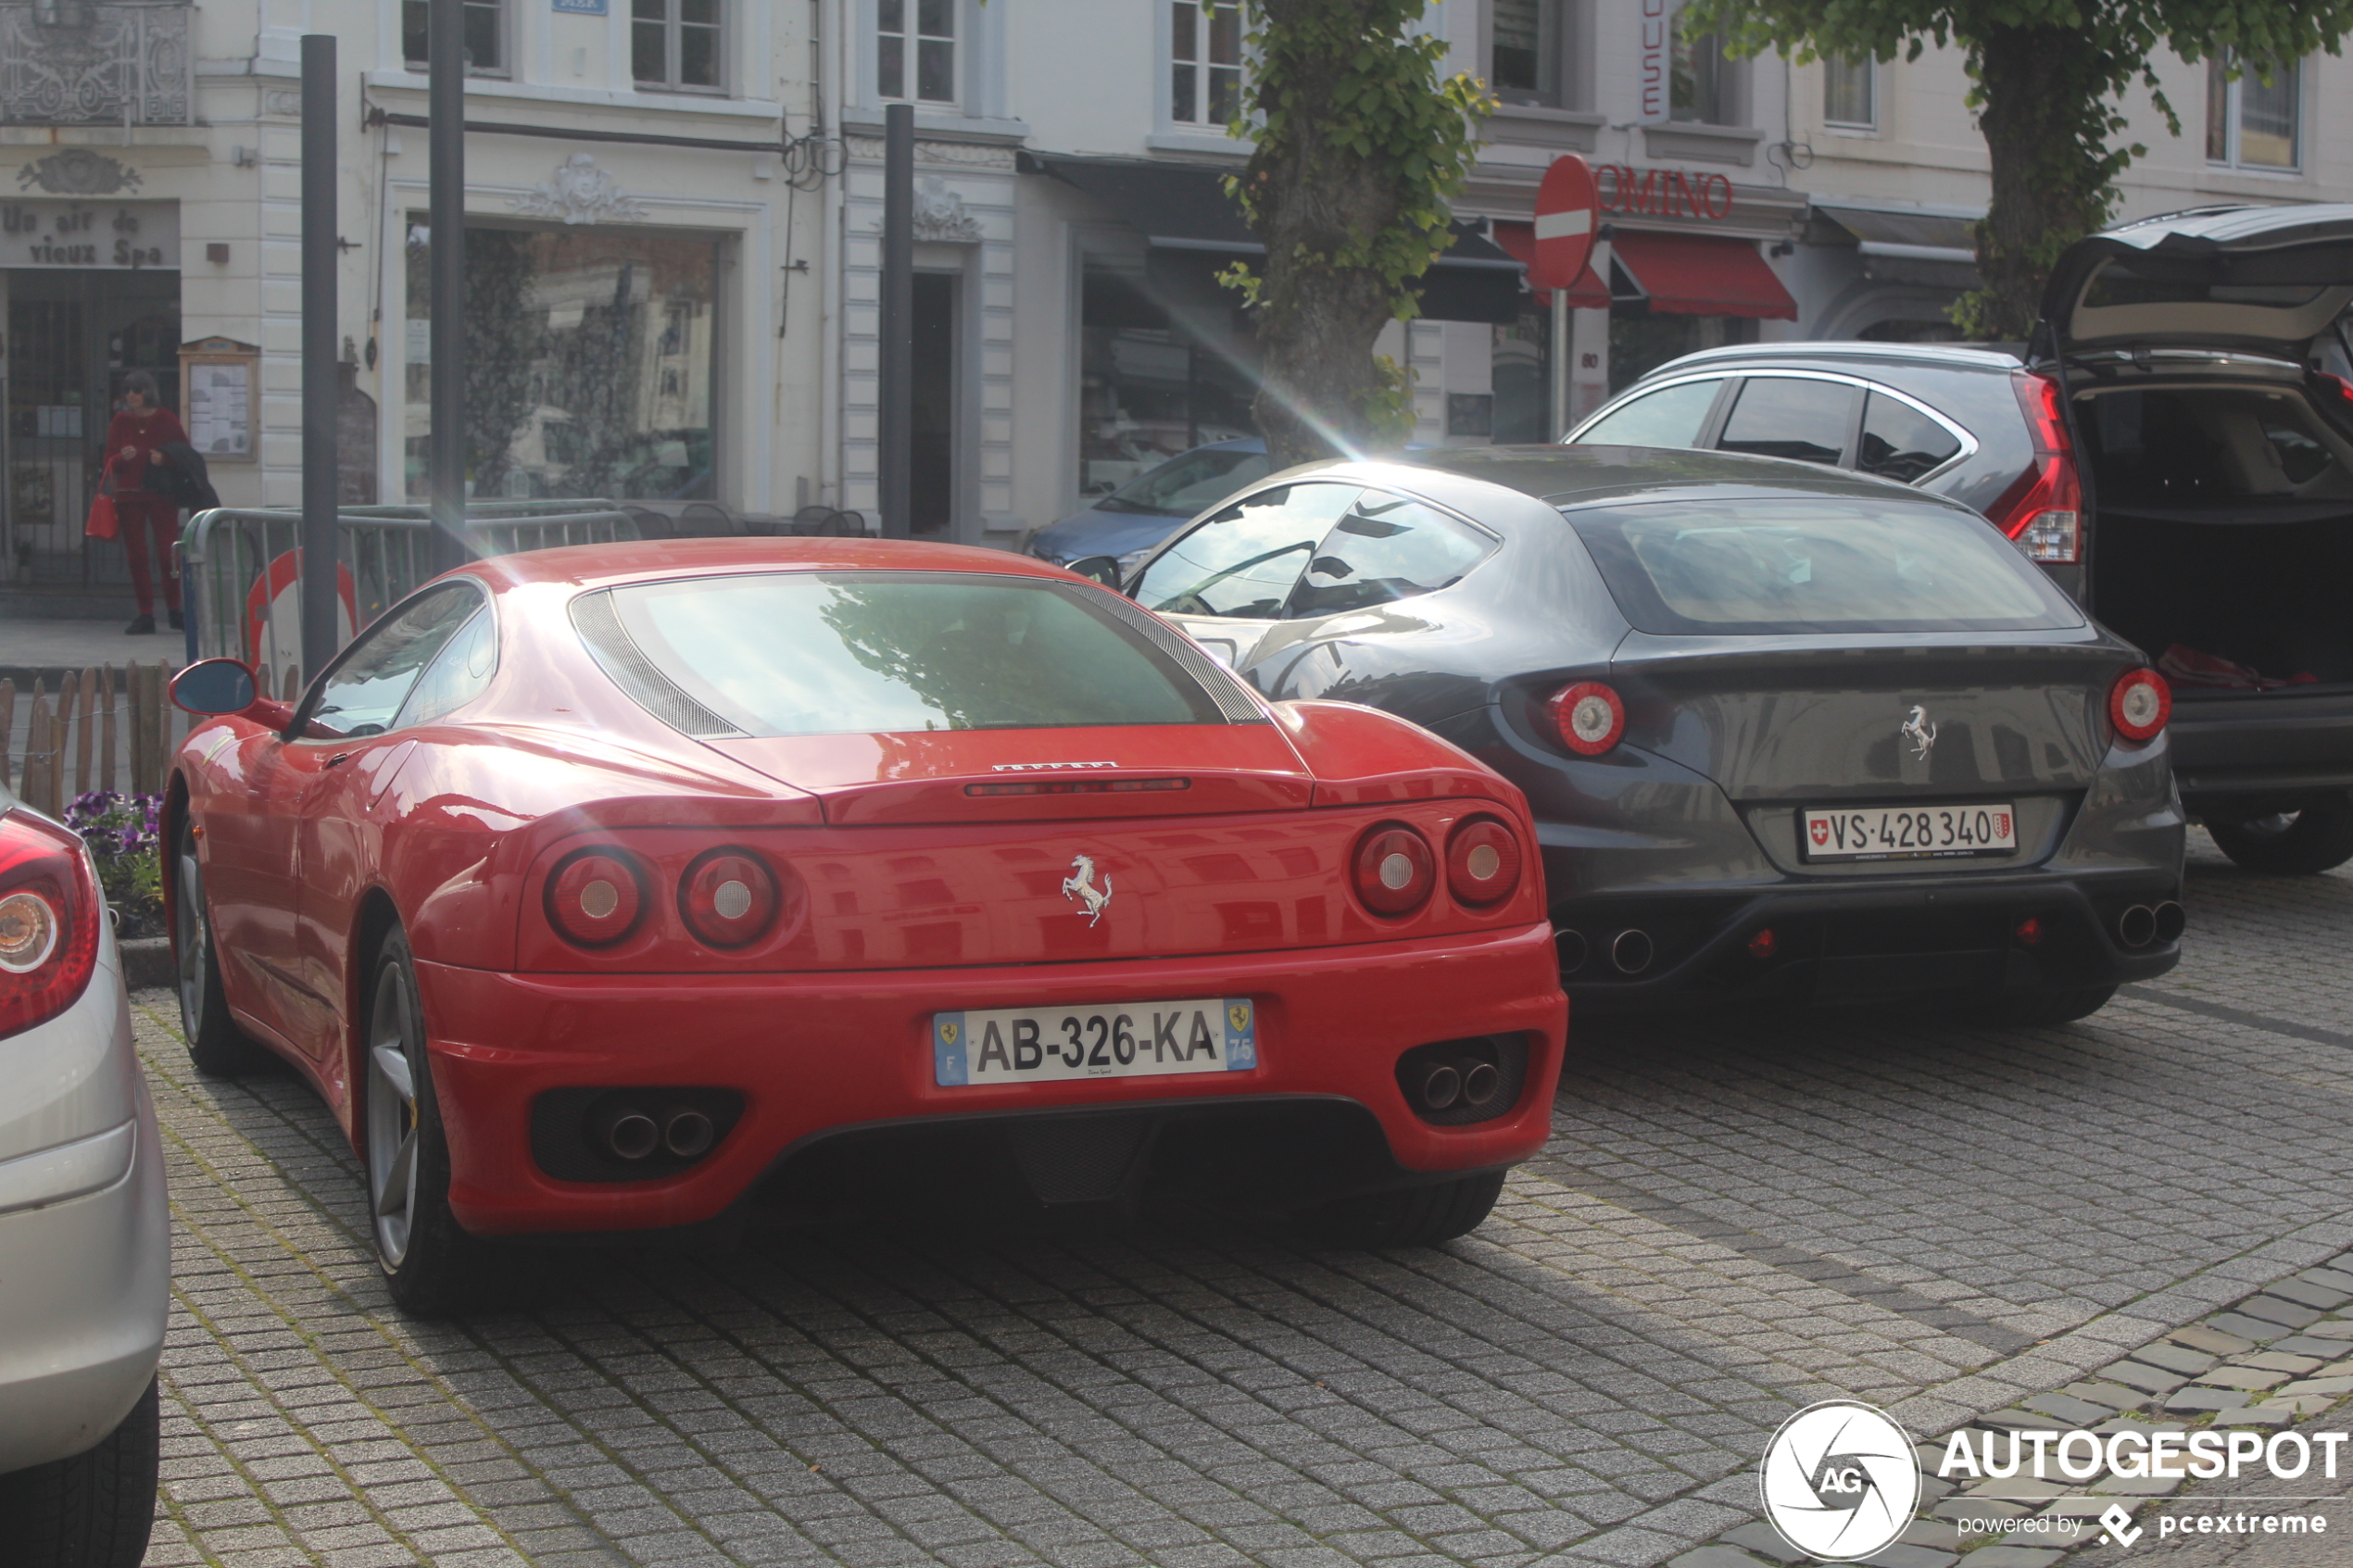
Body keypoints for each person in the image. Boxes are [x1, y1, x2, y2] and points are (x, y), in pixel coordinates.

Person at [103, 370, 190, 634]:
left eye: (137, 390)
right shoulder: (120, 421)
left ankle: (175, 610)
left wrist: (164, 460)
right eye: (128, 390)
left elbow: (184, 455)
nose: (132, 395)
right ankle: (146, 614)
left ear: (148, 391)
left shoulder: (166, 419)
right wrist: (122, 459)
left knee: (167, 554)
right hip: (129, 497)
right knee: (137, 556)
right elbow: (109, 461)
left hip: (161, 496)